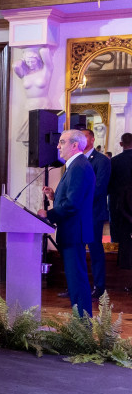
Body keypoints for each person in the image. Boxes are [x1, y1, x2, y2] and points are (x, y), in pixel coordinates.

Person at [37, 130, 95, 317]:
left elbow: (72, 205)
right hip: (73, 231)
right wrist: (54, 197)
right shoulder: (76, 165)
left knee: (77, 281)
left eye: (62, 142)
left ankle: (83, 325)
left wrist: (49, 214)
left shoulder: (78, 166)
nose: (58, 146)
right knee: (75, 280)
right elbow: (73, 199)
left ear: (75, 145)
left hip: (74, 232)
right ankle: (81, 323)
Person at [80, 129, 110, 298]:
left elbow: (100, 187)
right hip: (77, 213)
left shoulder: (101, 160)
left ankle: (99, 287)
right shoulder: (76, 159)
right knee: (77, 250)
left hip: (93, 212)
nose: (81, 140)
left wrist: (78, 199)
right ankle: (76, 286)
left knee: (95, 250)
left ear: (92, 139)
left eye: (84, 137)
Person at [109, 133, 132, 256]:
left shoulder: (114, 161)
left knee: (118, 233)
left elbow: (108, 183)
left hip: (117, 203)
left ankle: (116, 257)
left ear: (121, 144)